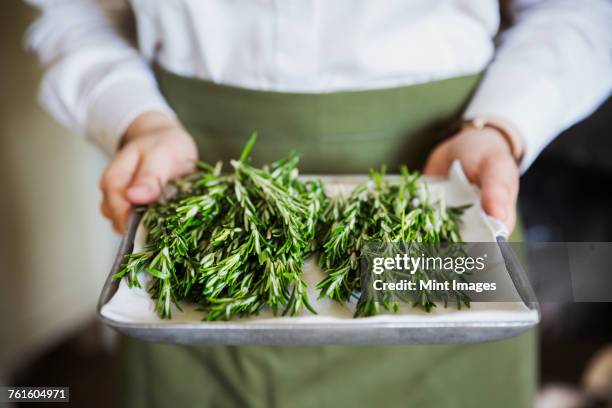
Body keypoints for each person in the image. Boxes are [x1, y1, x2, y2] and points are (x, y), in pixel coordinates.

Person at [26, 0, 612, 406]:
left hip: (443, 187)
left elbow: (580, 9)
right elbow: (72, 12)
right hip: (201, 191)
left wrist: (502, 126)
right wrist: (136, 119)